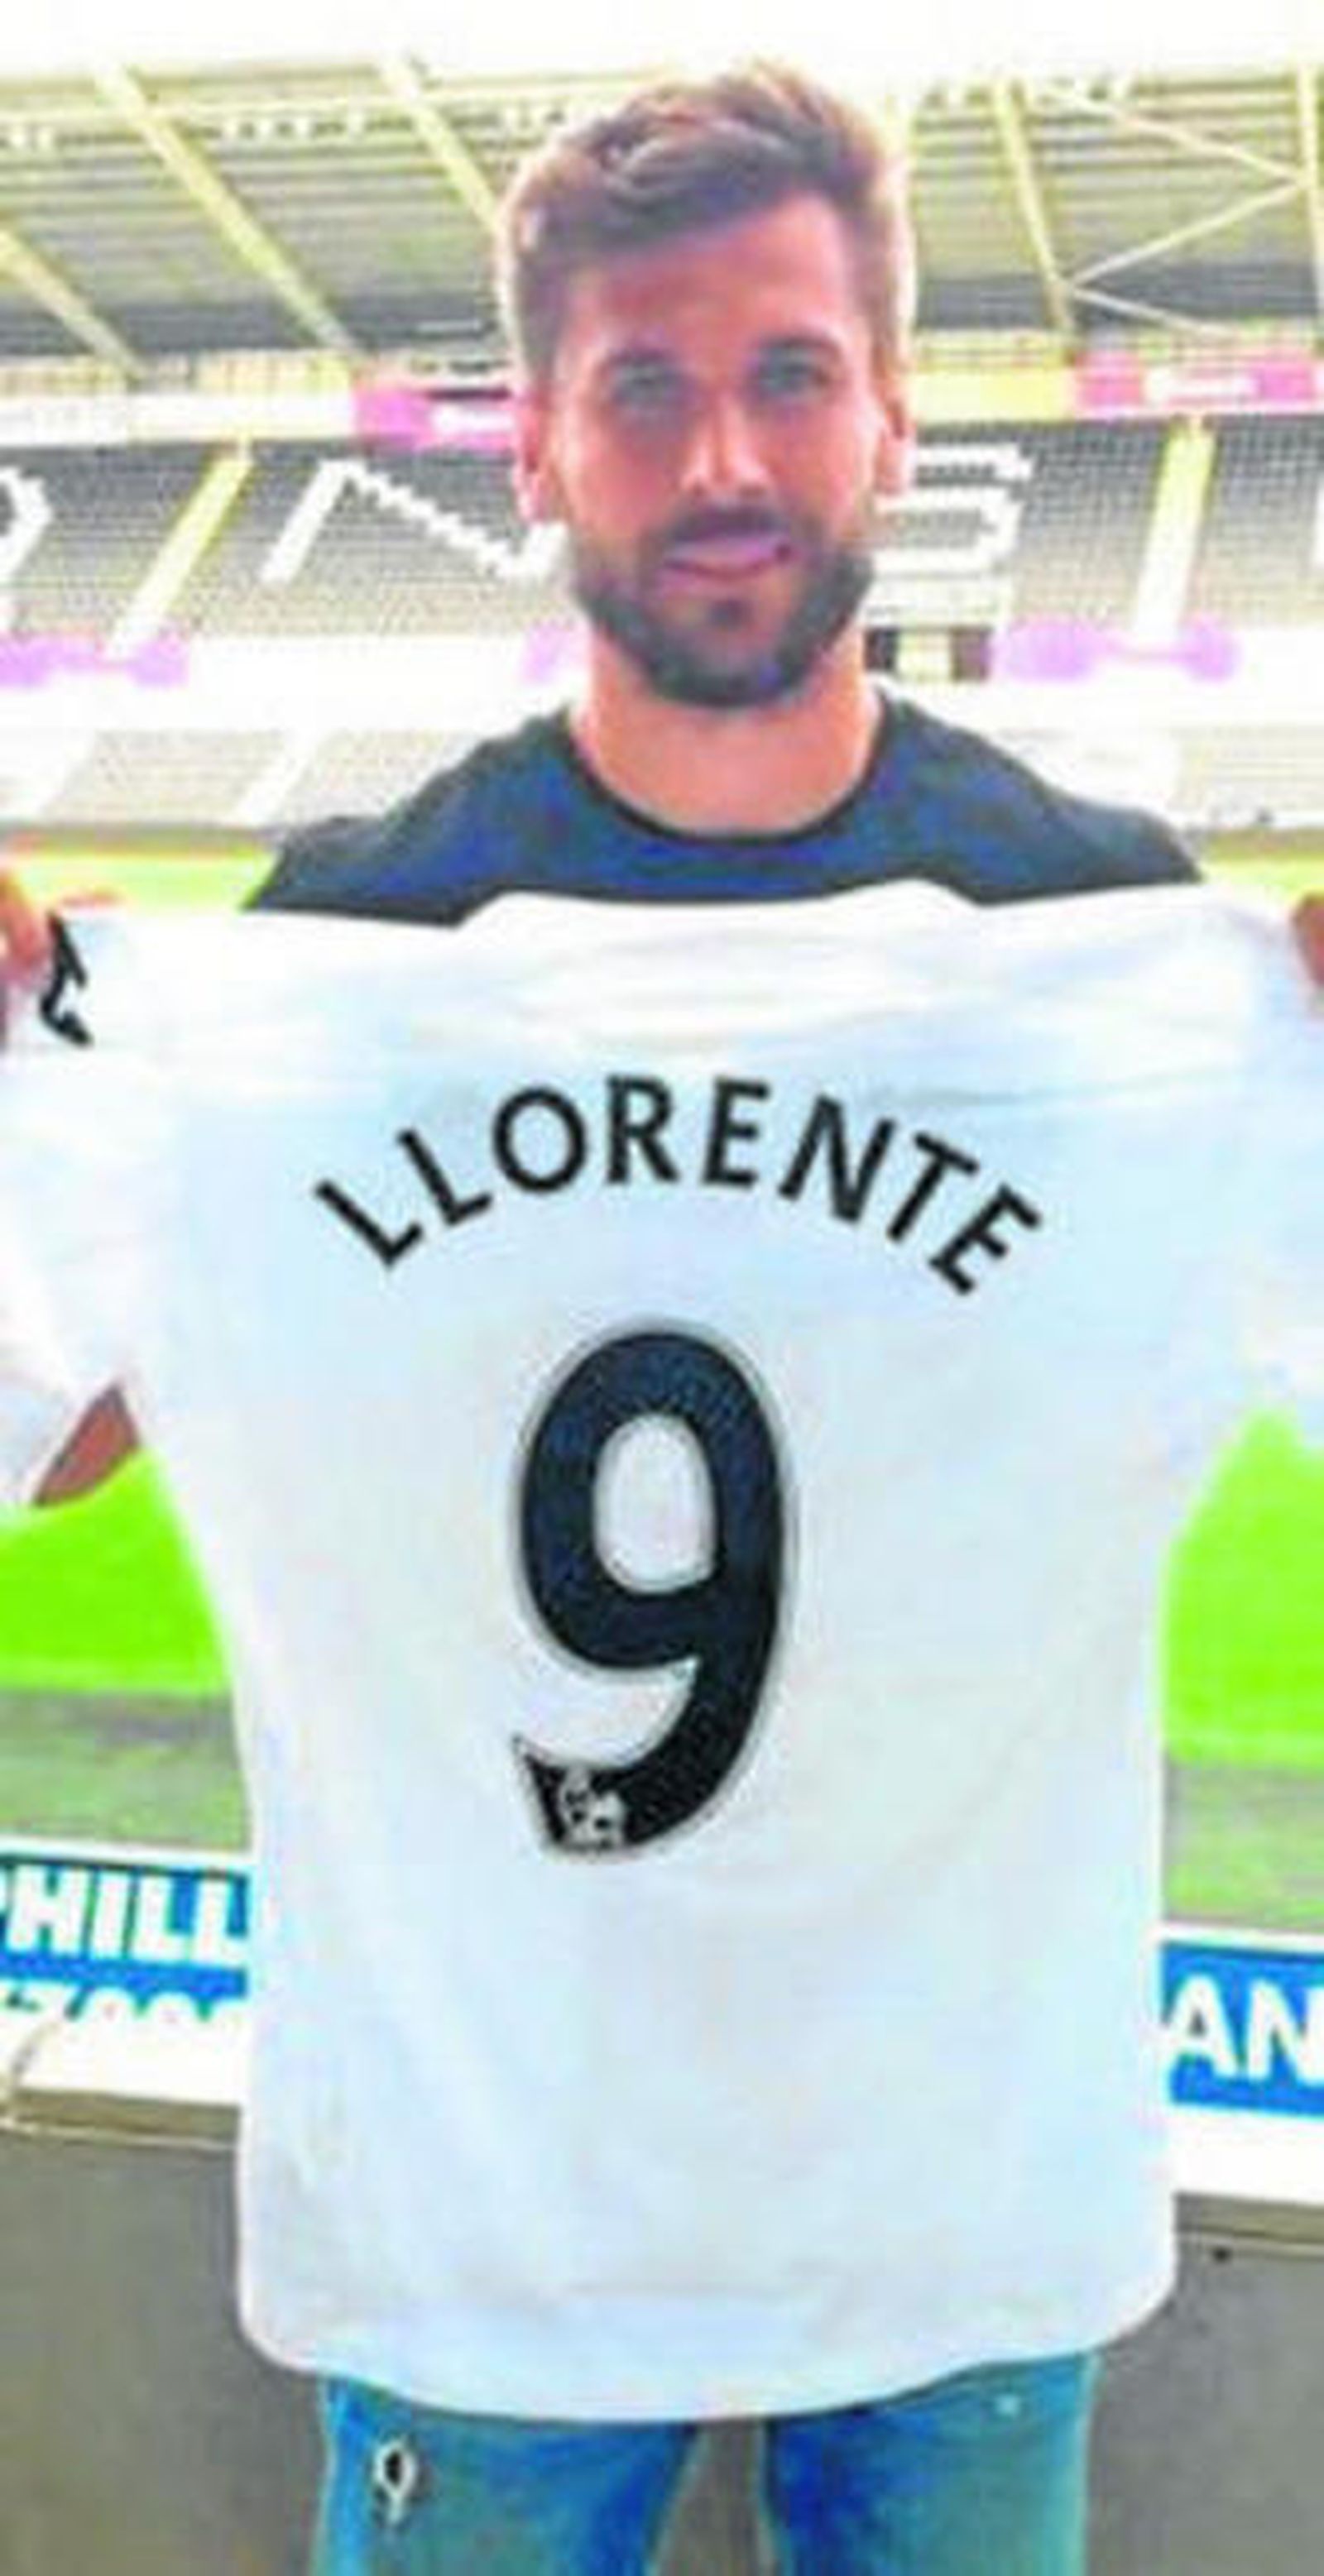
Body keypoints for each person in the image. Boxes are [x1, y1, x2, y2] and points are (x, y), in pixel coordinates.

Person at [0, 61, 1322, 2576]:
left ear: (894, 414)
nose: (725, 450)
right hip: (486, 2237)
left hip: (958, 2225)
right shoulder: (329, 947)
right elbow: (57, 1432)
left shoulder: (1107, 939)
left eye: (793, 371)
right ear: (536, 447)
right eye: (643, 385)